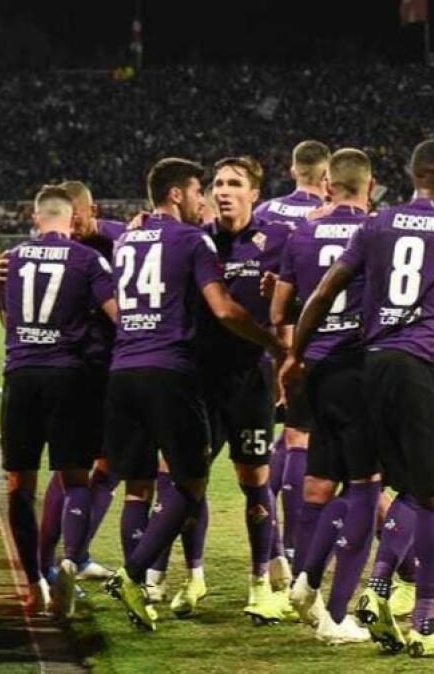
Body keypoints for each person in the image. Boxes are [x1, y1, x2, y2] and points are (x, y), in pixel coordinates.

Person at [282, 139, 434, 657]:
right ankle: (425, 623)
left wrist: (294, 357)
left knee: (387, 487)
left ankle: (374, 591)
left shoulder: (377, 225)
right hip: (425, 367)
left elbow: (324, 291)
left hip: (370, 368)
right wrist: (431, 325)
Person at [103, 157, 285, 632]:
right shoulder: (196, 236)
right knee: (184, 481)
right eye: (215, 183)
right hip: (196, 379)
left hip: (250, 381)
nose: (220, 192)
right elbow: (221, 308)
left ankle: (260, 583)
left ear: (253, 194)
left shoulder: (277, 238)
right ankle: (189, 575)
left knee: (253, 482)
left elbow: (300, 283)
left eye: (232, 184)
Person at [0, 186, 118, 618]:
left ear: (34, 219)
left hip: (21, 377)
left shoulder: (9, 260)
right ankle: (67, 564)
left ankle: (33, 585)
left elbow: (9, 322)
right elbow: (117, 313)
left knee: (19, 485)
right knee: (75, 478)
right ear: (71, 221)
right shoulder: (88, 260)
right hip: (69, 378)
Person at [274, 148, 377, 644]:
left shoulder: (302, 232)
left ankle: (302, 578)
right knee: (365, 488)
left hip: (315, 367)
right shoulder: (376, 231)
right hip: (359, 370)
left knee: (320, 484)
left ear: (328, 184)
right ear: (369, 185)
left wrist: (294, 356)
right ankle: (332, 611)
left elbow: (281, 307)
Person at [253, 140, 331, 564]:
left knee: (274, 441)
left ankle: (276, 544)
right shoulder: (335, 218)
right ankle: (294, 546)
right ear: (326, 176)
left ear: (292, 169)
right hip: (315, 341)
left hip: (265, 339)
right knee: (302, 435)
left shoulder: (265, 212)